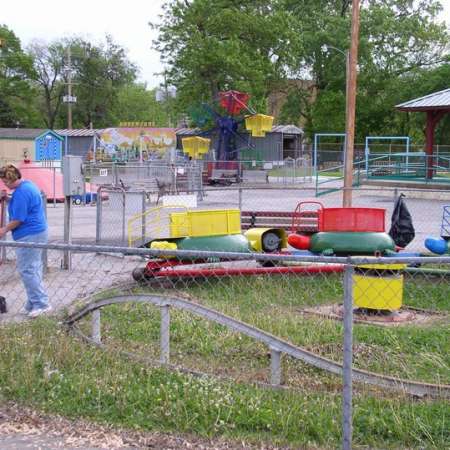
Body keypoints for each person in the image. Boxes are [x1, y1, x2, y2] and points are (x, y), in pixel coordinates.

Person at [0, 165, 51, 317]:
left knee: (27, 270)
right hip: (36, 232)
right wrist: (7, 198)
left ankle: (41, 303)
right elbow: (21, 205)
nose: (5, 185)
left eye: (5, 181)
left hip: (29, 234)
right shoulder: (27, 186)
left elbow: (19, 219)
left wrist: (3, 230)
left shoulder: (22, 192)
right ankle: (33, 302)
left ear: (12, 179)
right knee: (33, 268)